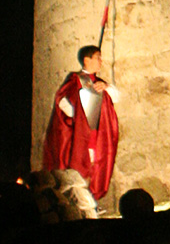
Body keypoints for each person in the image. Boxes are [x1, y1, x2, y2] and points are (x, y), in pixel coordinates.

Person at [42, 43, 120, 202]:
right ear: (86, 60)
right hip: (80, 139)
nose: (101, 61)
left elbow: (116, 97)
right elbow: (63, 103)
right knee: (79, 178)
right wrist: (79, 118)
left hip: (98, 138)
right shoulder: (75, 80)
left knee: (95, 173)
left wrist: (105, 87)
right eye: (98, 58)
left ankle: (92, 205)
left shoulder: (100, 82)